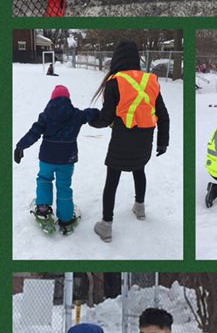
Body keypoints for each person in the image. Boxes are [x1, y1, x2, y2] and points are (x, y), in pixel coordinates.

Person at [89, 41, 170, 242]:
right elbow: (163, 115)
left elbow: (106, 118)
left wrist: (91, 120)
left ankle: (106, 225)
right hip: (145, 139)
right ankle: (140, 208)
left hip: (121, 140)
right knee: (139, 169)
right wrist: (163, 141)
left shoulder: (114, 82)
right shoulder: (151, 81)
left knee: (112, 180)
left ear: (117, 58)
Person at [14, 85, 99, 233]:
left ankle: (43, 210)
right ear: (68, 99)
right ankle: (66, 218)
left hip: (47, 157)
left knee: (44, 180)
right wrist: (99, 112)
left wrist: (20, 146)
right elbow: (89, 113)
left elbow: (33, 133)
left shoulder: (46, 116)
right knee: (64, 186)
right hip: (67, 159)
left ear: (52, 99)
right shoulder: (76, 114)